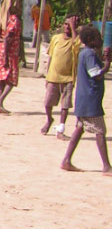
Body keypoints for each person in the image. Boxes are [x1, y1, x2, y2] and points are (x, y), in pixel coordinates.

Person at [60, 25, 111, 175]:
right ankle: (107, 166)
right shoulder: (89, 54)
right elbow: (95, 74)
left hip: (83, 99)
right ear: (90, 39)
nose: (100, 40)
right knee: (100, 131)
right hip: (90, 100)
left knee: (80, 128)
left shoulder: (86, 53)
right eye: (97, 38)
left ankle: (67, 160)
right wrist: (107, 64)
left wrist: (104, 58)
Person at [42, 15, 80, 139]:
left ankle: (61, 129)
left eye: (70, 25)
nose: (67, 27)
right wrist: (47, 76)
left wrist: (74, 29)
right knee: (48, 103)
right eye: (65, 24)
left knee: (65, 105)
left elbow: (77, 46)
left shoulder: (76, 40)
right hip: (53, 77)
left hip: (68, 78)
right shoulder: (56, 38)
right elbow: (51, 57)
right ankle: (49, 119)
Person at [0, 0, 21, 114]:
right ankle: (0, 101)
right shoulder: (13, 20)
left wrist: (1, 42)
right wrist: (6, 56)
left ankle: (0, 103)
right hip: (9, 50)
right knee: (11, 79)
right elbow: (9, 38)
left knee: (2, 79)